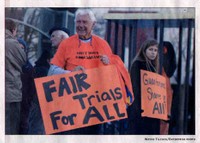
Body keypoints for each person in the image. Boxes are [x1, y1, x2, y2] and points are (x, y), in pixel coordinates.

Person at [49, 8, 134, 135]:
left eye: (84, 22)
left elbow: (113, 74)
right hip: (71, 109)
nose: (81, 25)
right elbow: (52, 72)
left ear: (93, 25)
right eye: (78, 22)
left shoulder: (103, 44)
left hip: (95, 109)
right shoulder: (66, 44)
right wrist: (70, 74)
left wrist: (110, 62)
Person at [27, 26, 70, 134]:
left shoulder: (71, 56)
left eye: (53, 36)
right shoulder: (58, 56)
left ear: (63, 37)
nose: (51, 39)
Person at [127, 39, 160, 134]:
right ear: (144, 50)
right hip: (139, 109)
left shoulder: (153, 66)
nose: (153, 53)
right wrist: (138, 109)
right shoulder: (137, 64)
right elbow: (135, 88)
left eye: (155, 50)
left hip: (150, 109)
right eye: (150, 49)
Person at [5, 19, 26, 134]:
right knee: (10, 130)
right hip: (10, 94)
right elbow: (23, 60)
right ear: (13, 30)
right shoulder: (12, 43)